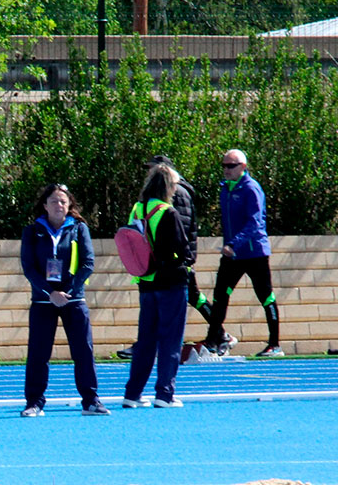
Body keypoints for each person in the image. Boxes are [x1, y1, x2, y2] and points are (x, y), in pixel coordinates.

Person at [117, 156, 235, 359]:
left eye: (152, 169)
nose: (149, 173)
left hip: (174, 263)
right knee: (194, 298)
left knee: (188, 299)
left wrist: (184, 260)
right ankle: (219, 333)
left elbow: (178, 228)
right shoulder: (163, 197)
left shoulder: (175, 194)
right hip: (172, 261)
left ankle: (218, 334)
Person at [17, 184, 107, 417]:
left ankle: (90, 400)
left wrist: (67, 291)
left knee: (83, 351)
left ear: (70, 206)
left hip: (73, 299)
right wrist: (50, 293)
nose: (59, 205)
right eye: (55, 201)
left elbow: (87, 263)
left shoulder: (79, 229)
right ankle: (34, 402)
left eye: (64, 202)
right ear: (45, 205)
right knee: (38, 353)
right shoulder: (32, 231)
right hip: (43, 301)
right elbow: (28, 267)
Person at [201, 149, 282, 357]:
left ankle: (274, 344)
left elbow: (255, 222)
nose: (226, 170)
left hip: (254, 253)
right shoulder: (225, 189)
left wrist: (234, 244)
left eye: (231, 166)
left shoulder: (251, 189)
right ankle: (213, 342)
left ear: (243, 167)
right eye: (224, 166)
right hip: (233, 255)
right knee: (220, 296)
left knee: (265, 297)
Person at [123, 164, 192, 408]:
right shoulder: (167, 212)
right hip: (170, 282)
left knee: (146, 341)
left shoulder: (137, 209)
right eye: (174, 185)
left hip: (145, 282)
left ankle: (132, 393)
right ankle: (165, 393)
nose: (175, 190)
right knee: (171, 340)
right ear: (166, 186)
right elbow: (182, 250)